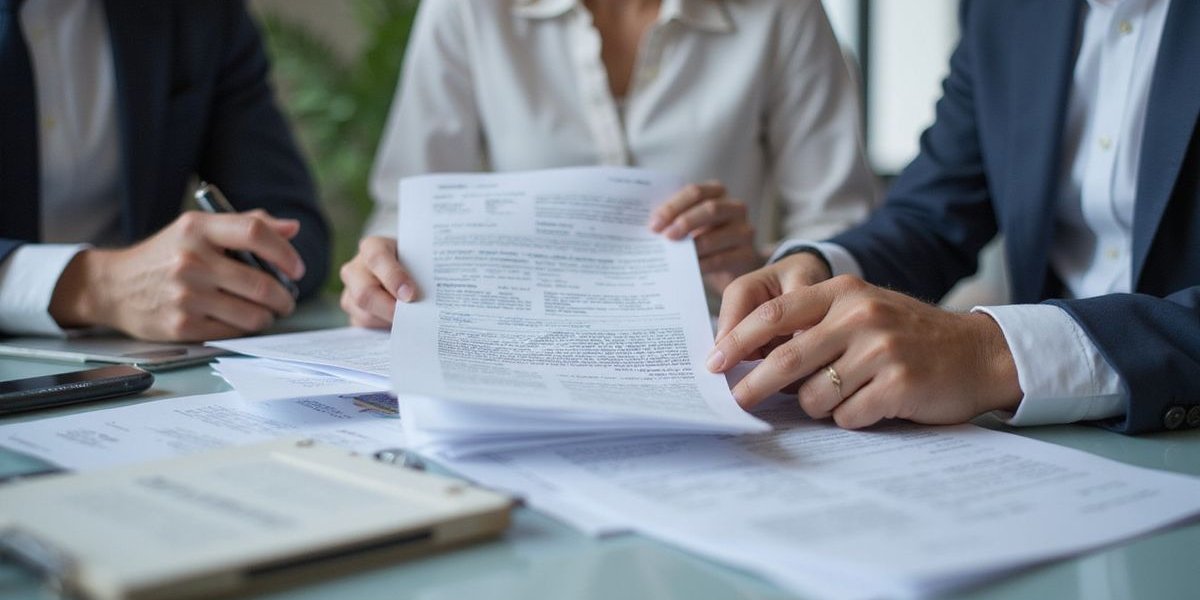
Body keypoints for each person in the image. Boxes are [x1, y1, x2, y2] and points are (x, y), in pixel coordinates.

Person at [708, 0, 1200, 434]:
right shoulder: (1004, 10)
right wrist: (818, 272)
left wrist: (994, 354)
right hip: (1047, 436)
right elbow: (934, 211)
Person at [339, 0, 877, 328]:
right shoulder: (469, 7)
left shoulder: (784, 11)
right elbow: (407, 214)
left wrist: (757, 269)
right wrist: (383, 276)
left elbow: (842, 227)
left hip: (716, 344)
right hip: (514, 342)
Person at [0, 0, 329, 342]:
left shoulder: (200, 12)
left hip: (146, 357)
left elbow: (293, 222)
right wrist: (95, 285)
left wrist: (214, 275)